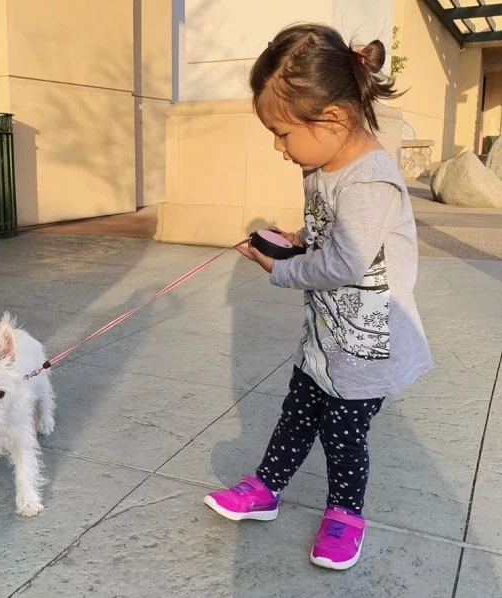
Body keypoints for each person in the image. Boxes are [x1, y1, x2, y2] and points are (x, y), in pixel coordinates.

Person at [203, 23, 433, 571]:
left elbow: (344, 262)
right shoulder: (321, 164)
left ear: (331, 118)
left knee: (342, 433)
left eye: (282, 133)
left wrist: (278, 267)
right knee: (297, 412)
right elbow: (328, 235)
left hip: (366, 344)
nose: (279, 147)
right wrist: (296, 238)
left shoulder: (370, 180)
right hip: (329, 334)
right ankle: (266, 488)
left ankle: (346, 515)